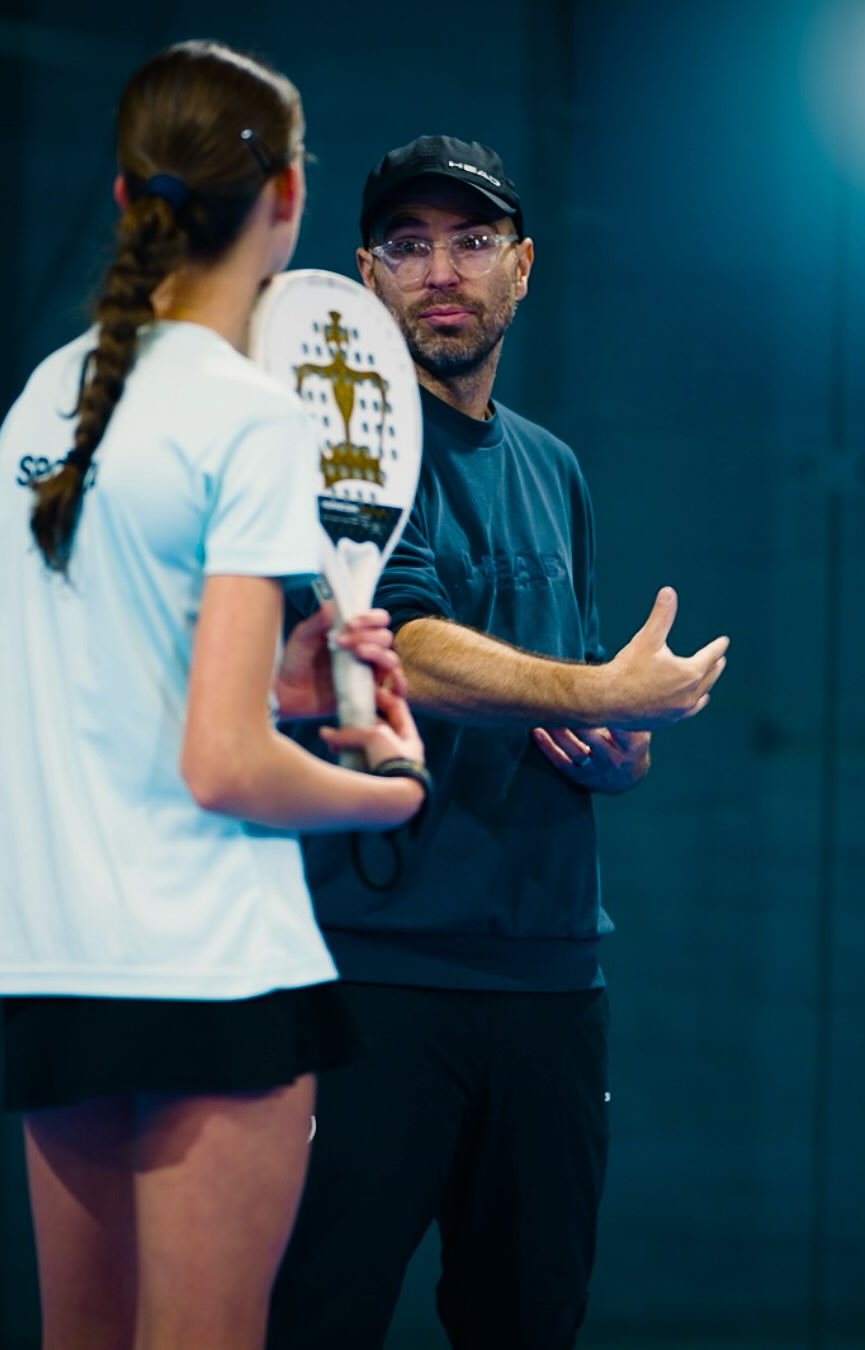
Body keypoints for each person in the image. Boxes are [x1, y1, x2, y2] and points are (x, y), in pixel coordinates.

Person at [0, 44, 431, 1350]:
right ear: (286, 200)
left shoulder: (40, 408)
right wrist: (386, 788)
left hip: (50, 962)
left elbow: (0, 721)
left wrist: (257, 682)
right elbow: (224, 765)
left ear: (125, 200)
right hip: (213, 971)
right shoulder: (247, 417)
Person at [267, 136, 729, 1349]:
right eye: (408, 246)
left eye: (471, 243)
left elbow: (558, 695)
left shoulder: (555, 469)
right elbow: (404, 649)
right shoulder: (347, 444)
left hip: (552, 987)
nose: (440, 272)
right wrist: (596, 687)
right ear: (367, 275)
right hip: (375, 976)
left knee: (529, 1322)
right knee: (320, 1316)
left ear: (522, 267)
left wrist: (615, 740)